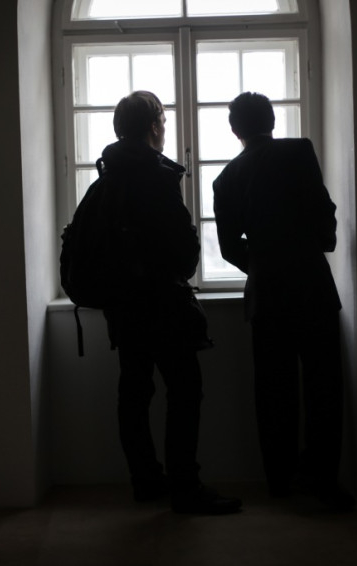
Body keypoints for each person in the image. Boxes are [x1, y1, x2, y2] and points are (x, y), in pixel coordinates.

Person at [99, 90, 241, 515]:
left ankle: (145, 481)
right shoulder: (156, 176)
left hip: (123, 307)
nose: (165, 128)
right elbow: (184, 251)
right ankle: (185, 486)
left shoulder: (107, 175)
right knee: (184, 392)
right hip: (162, 304)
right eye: (163, 120)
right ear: (154, 125)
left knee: (134, 394)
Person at [212, 92, 354, 510]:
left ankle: (279, 480)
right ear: (272, 121)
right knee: (323, 387)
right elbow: (322, 209)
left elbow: (227, 247)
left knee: (273, 390)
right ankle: (323, 480)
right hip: (311, 283)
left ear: (235, 130)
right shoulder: (298, 151)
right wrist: (317, 243)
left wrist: (261, 263)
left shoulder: (226, 178)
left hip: (267, 294)